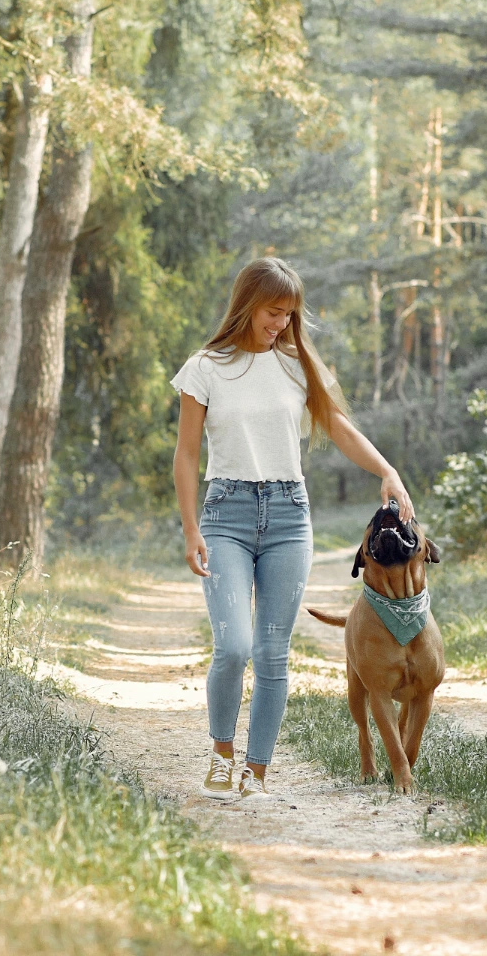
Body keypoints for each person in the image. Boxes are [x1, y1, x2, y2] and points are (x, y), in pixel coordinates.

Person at [171, 257, 414, 801]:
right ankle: (222, 756)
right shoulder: (206, 367)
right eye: (273, 312)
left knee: (272, 652)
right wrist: (191, 529)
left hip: (288, 515)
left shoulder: (297, 364)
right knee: (234, 646)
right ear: (247, 304)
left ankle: (255, 773)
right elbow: (186, 455)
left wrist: (387, 471)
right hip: (226, 513)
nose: (281, 323)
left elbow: (339, 428)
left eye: (289, 314)